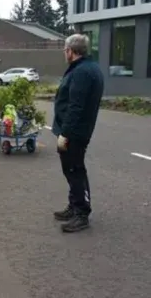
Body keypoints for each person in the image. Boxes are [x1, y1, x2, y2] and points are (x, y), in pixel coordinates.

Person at [52, 33, 104, 232]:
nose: (64, 54)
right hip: (77, 130)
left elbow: (76, 106)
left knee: (75, 170)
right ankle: (75, 205)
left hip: (74, 133)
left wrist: (65, 134)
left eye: (65, 50)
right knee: (73, 170)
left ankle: (81, 213)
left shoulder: (82, 72)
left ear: (71, 51)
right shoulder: (86, 68)